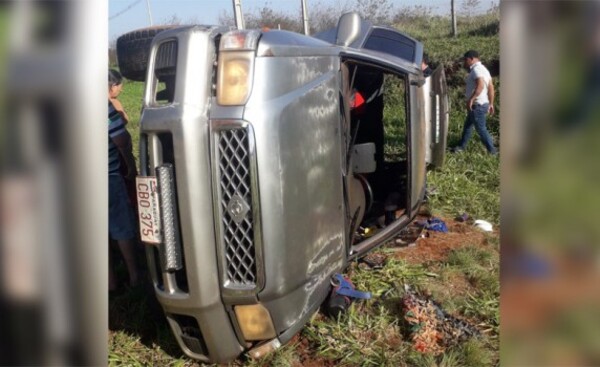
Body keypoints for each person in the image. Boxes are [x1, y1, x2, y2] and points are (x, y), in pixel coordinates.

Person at [108, 69, 140, 290]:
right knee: (122, 226)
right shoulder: (105, 107)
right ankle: (135, 276)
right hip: (108, 176)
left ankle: (109, 283)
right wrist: (129, 164)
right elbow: (120, 139)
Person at [451, 50, 497, 154]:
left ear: (471, 59)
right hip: (482, 104)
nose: (464, 62)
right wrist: (491, 103)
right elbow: (491, 87)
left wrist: (471, 99)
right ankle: (461, 147)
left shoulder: (476, 70)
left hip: (477, 105)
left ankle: (493, 151)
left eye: (465, 60)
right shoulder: (485, 70)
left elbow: (480, 85)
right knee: (468, 126)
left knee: (481, 129)